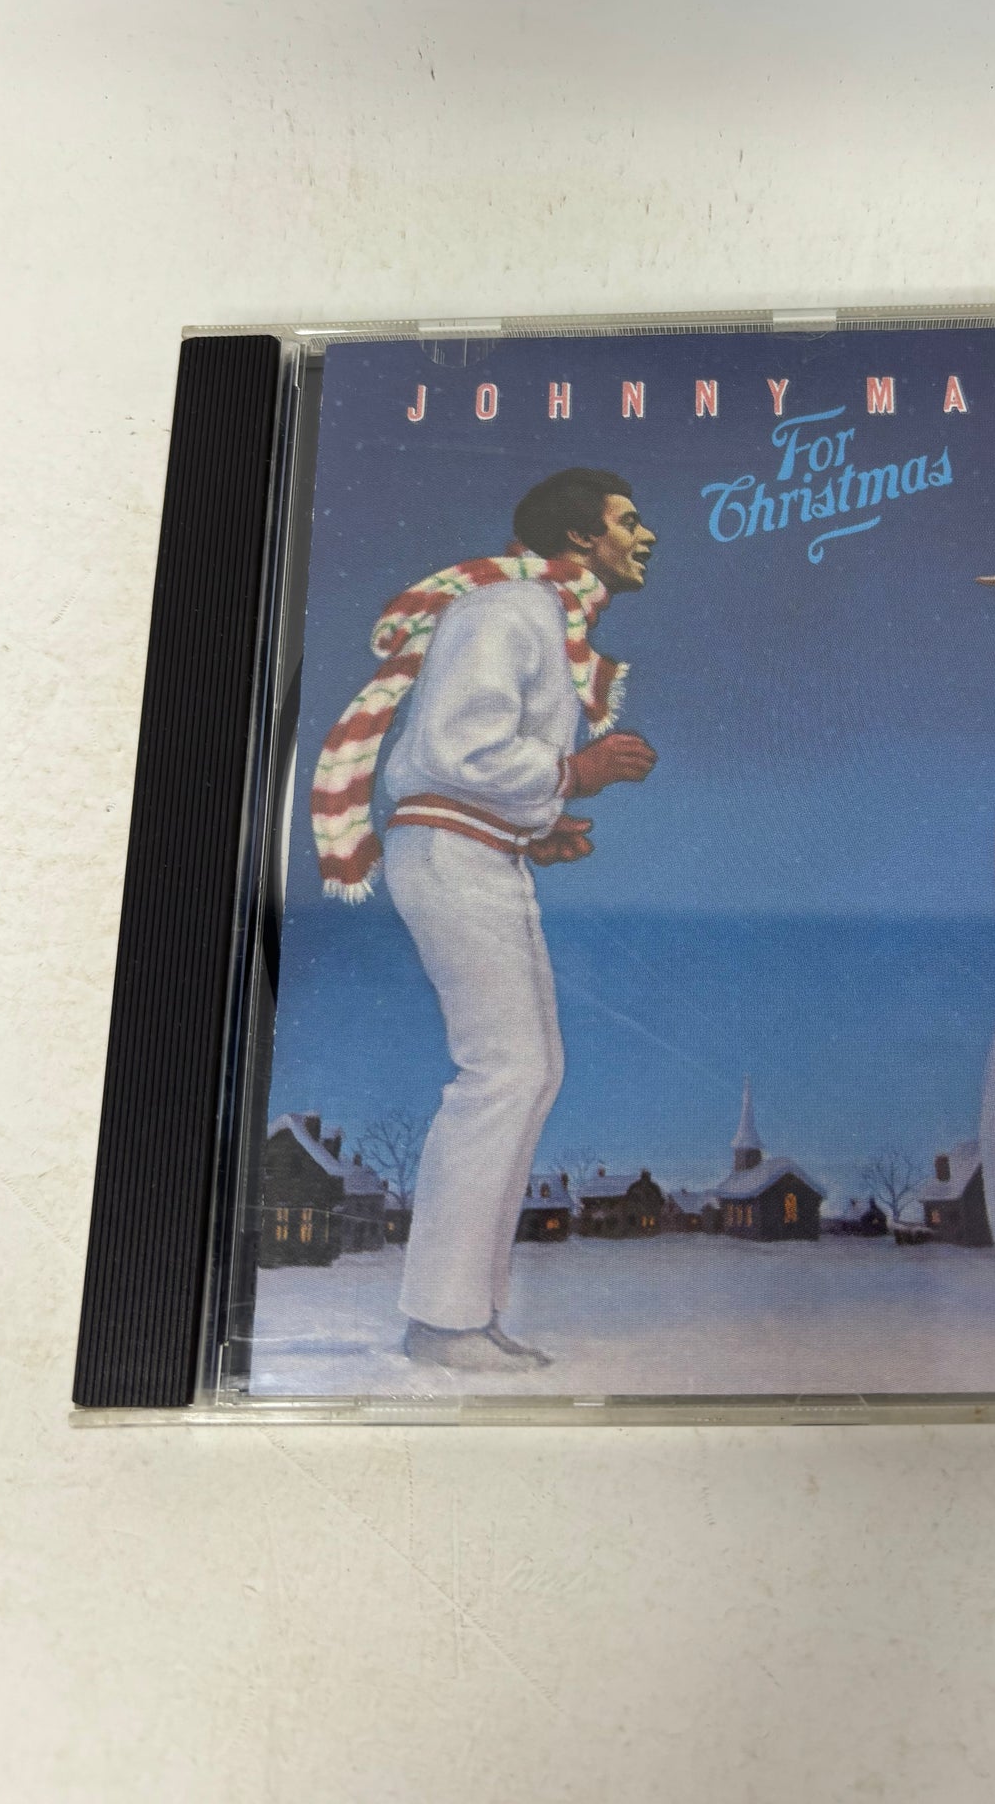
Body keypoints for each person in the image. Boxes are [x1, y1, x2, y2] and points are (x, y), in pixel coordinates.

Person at [312, 468, 657, 1370]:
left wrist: (536, 828)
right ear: (580, 538)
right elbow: (455, 750)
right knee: (504, 1070)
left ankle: (465, 1312)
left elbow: (473, 766)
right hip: (451, 854)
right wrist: (574, 775)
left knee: (528, 1069)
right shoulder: (508, 611)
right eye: (628, 521)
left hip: (478, 851)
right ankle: (443, 1322)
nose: (645, 536)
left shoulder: (540, 617)